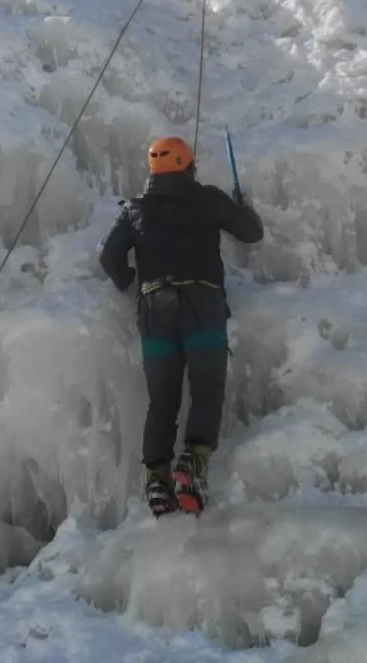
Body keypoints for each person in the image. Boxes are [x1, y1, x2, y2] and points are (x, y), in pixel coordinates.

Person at [97, 136, 264, 516]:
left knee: (163, 398)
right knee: (206, 386)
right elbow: (251, 233)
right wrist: (244, 207)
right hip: (201, 303)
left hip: (154, 309)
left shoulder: (134, 210)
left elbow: (109, 256)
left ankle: (157, 478)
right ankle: (194, 462)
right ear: (189, 166)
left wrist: (128, 283)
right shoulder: (208, 198)